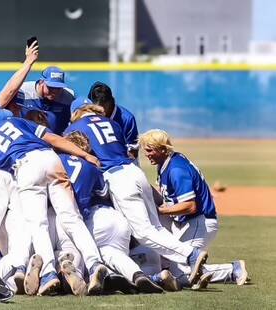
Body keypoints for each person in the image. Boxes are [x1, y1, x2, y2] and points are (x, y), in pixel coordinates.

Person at [0, 115, 107, 296]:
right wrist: (85, 154)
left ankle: (49, 271)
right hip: (50, 158)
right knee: (72, 219)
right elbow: (52, 138)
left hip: (27, 167)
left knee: (38, 224)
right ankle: (94, 264)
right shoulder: (12, 121)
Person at [64, 103, 208, 287]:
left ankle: (190, 255)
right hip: (135, 172)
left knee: (143, 232)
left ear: (76, 113)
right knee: (155, 227)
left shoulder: (75, 127)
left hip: (117, 178)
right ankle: (162, 270)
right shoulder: (112, 123)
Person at [139, 129, 249, 287]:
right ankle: (206, 273)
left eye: (150, 150)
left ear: (162, 148)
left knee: (180, 273)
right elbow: (167, 196)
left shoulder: (176, 169)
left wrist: (161, 211)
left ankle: (232, 269)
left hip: (199, 222)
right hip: (188, 222)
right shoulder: (167, 162)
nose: (146, 154)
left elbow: (190, 206)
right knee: (178, 266)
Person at [0, 40, 75, 134]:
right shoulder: (23, 91)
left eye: (58, 88)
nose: (54, 91)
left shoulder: (68, 97)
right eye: (50, 87)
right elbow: (1, 103)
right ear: (42, 82)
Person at [88, 82, 139, 160]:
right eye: (96, 108)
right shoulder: (87, 115)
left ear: (111, 101)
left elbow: (133, 151)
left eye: (104, 106)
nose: (100, 111)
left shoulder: (126, 118)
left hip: (124, 163)